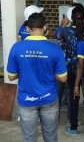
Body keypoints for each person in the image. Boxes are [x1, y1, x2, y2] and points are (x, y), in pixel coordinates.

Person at [7, 13, 67, 142]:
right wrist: (50, 73)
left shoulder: (17, 48)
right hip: (49, 99)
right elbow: (63, 78)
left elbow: (11, 77)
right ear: (45, 27)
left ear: (27, 28)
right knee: (51, 137)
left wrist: (22, 72)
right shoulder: (55, 49)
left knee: (29, 138)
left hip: (26, 100)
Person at [55, 5, 84, 136]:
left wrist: (63, 23)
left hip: (71, 70)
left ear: (71, 18)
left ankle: (73, 127)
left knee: (73, 97)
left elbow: (57, 34)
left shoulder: (66, 31)